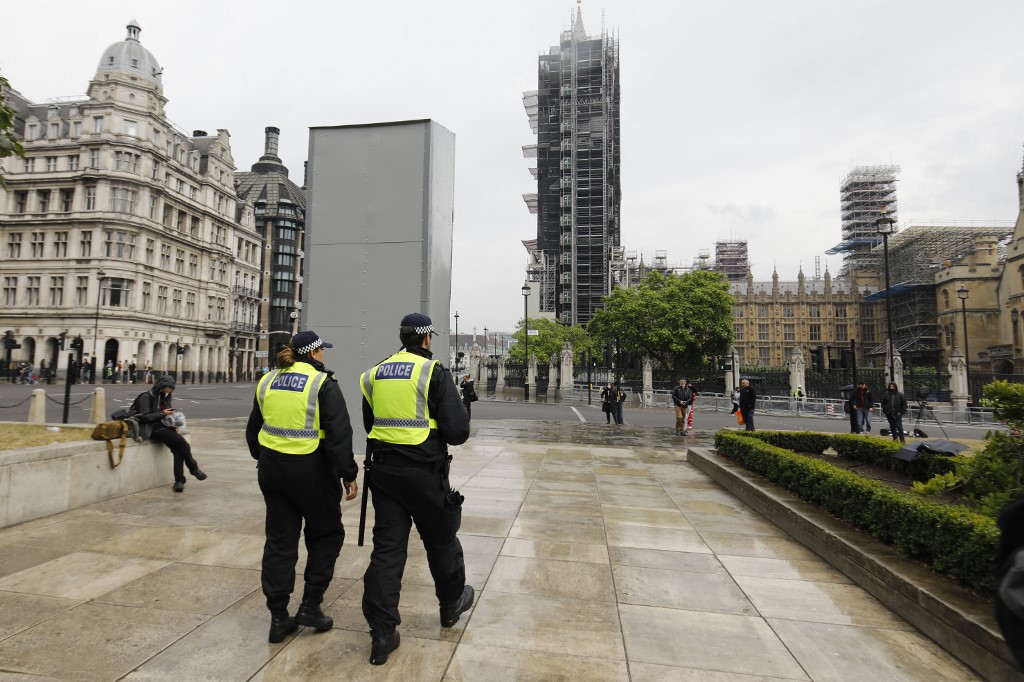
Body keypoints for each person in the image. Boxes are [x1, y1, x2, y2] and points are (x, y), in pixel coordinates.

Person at [359, 313, 472, 665]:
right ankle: (450, 604)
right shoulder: (433, 373)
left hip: (385, 474)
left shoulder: (374, 373)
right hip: (424, 474)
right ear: (425, 339)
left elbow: (370, 424)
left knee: (388, 550)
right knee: (440, 541)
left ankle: (382, 633)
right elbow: (458, 433)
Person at [246, 330, 359, 645]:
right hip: (310, 470)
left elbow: (253, 429)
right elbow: (339, 435)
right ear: (314, 352)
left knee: (280, 540)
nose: (325, 355)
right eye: (323, 350)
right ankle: (310, 605)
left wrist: (266, 456)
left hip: (271, 469)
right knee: (326, 534)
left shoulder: (268, 381)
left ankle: (279, 617)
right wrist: (348, 473)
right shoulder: (322, 384)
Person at [134, 375, 206, 492]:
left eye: (172, 388)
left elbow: (166, 414)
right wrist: (163, 413)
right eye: (169, 387)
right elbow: (144, 417)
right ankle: (193, 468)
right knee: (182, 443)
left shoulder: (164, 397)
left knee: (178, 451)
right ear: (162, 386)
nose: (170, 390)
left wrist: (173, 422)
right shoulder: (146, 397)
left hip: (163, 426)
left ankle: (179, 481)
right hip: (151, 428)